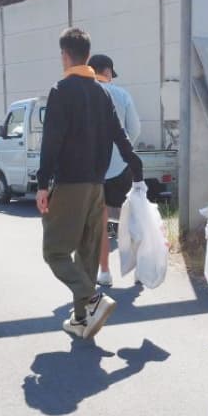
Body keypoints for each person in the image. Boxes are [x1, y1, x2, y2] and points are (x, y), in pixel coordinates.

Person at [37, 27, 144, 340]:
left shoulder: (61, 90)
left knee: (55, 252)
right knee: (86, 253)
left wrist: (43, 183)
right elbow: (120, 135)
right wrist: (134, 164)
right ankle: (82, 318)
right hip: (96, 186)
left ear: (65, 55)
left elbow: (51, 141)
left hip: (69, 184)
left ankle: (91, 297)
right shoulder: (102, 92)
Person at [87, 54, 142, 288]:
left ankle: (105, 272)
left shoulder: (82, 94)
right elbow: (135, 129)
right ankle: (138, 270)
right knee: (130, 217)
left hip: (92, 169)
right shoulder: (122, 94)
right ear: (108, 72)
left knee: (99, 221)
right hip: (122, 166)